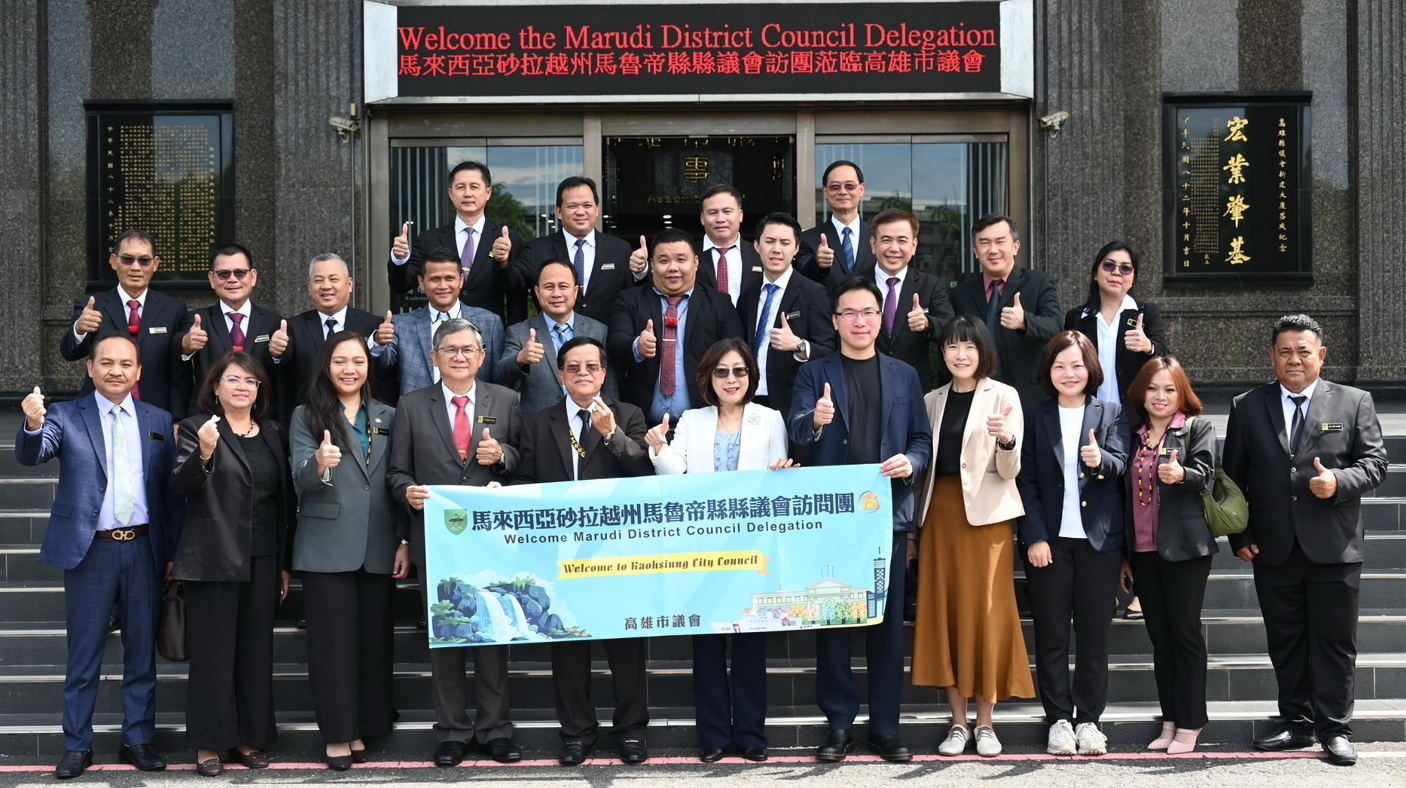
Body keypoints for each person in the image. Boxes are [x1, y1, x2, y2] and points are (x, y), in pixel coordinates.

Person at [1223, 314, 1387, 767]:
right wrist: (1240, 534)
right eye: (1285, 352)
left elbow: (1375, 464)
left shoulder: (1354, 401)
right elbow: (1232, 479)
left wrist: (1338, 481)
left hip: (1334, 547)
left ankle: (1335, 729)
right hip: (1272, 547)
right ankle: (1296, 722)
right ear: (1272, 356)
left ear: (1322, 355)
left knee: (1334, 643)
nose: (1294, 359)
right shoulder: (1246, 406)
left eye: (1303, 351)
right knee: (1286, 641)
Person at [15, 334, 177, 779]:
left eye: (125, 363)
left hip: (144, 548)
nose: (115, 370)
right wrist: (32, 423)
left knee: (141, 654)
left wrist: (172, 551)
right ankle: (77, 745)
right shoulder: (66, 415)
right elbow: (33, 454)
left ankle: (138, 739)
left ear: (138, 371)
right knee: (84, 655)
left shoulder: (159, 419)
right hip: (92, 551)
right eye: (106, 362)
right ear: (90, 368)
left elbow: (170, 493)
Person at [788, 277, 931, 763]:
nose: (860, 321)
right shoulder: (814, 373)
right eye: (849, 313)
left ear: (879, 317)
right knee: (833, 620)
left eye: (868, 312)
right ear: (834, 321)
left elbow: (921, 439)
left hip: (886, 516)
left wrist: (912, 462)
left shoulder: (904, 374)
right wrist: (817, 419)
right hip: (832, 519)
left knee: (887, 625)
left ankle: (885, 727)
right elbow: (796, 433)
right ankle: (839, 724)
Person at [386, 317, 525, 767]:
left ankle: (495, 729)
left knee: (493, 635)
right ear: (434, 357)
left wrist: (502, 456)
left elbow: (525, 464)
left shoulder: (506, 400)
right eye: (450, 349)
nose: (459, 357)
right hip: (436, 539)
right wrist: (407, 493)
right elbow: (397, 471)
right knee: (446, 638)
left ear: (483, 356)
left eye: (468, 349)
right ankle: (451, 732)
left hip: (491, 542)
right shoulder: (411, 405)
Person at [647, 338, 792, 763]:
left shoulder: (770, 419)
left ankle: (750, 735)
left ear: (752, 376)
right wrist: (658, 447)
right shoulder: (692, 419)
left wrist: (781, 472)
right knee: (707, 646)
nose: (732, 379)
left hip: (752, 550)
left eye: (739, 371)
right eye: (722, 371)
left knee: (750, 646)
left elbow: (777, 476)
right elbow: (674, 474)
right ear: (708, 377)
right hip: (702, 550)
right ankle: (712, 736)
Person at [513, 336, 654, 766]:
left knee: (625, 646)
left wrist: (611, 434)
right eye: (573, 367)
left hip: (617, 553)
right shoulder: (540, 423)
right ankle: (576, 733)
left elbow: (644, 472)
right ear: (560, 375)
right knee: (568, 646)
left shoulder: (628, 415)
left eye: (591, 366)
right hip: (560, 555)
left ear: (604, 373)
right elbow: (526, 484)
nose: (582, 374)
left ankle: (631, 731)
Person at [911, 316, 1033, 758]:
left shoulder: (1004, 396)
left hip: (987, 519)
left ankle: (985, 723)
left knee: (986, 613)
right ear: (942, 352)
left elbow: (1011, 470)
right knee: (946, 613)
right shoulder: (931, 399)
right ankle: (957, 722)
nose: (960, 355)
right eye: (952, 346)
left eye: (969, 346)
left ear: (983, 351)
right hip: (938, 517)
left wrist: (1007, 441)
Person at [170, 353, 293, 776]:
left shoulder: (273, 432)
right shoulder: (197, 428)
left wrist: (284, 562)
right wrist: (204, 453)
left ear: (259, 390)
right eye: (233, 380)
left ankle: (247, 738)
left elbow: (282, 501)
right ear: (215, 387)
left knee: (255, 653)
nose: (242, 387)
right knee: (214, 655)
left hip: (263, 555)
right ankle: (209, 743)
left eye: (250, 381)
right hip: (214, 557)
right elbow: (182, 485)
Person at [290, 332, 409, 769]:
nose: (349, 369)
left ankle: (366, 724)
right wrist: (319, 464)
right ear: (326, 365)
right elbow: (299, 476)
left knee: (373, 643)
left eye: (358, 361)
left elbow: (399, 477)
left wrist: (403, 540)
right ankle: (339, 734)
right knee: (332, 646)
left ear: (368, 366)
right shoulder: (307, 415)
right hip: (327, 545)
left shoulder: (389, 414)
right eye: (340, 361)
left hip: (379, 543)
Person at [1015, 330, 1127, 757]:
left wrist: (1101, 462)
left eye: (1077, 365)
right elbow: (1025, 480)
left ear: (1090, 369)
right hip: (1051, 542)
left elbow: (1122, 463)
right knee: (1052, 635)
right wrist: (1034, 536)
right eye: (1060, 366)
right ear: (1049, 370)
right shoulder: (1035, 415)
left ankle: (1089, 720)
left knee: (1094, 636)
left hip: (1100, 542)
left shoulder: (1111, 412)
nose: (1069, 373)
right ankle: (1059, 719)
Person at [1062, 241, 1168, 621]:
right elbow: (1066, 362)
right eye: (1109, 266)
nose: (1117, 274)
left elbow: (1167, 361)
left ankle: (1139, 590)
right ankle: (1101, 588)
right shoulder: (1078, 317)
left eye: (1126, 268)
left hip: (1134, 420)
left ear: (1133, 277)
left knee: (1136, 500)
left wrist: (1149, 346)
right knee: (1096, 497)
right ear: (1096, 272)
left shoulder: (1144, 314)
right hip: (1090, 421)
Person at [1120, 355, 1217, 754]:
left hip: (1185, 550)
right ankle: (1170, 720)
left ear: (1181, 394)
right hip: (1143, 550)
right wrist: (1124, 554)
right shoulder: (1133, 434)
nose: (1160, 397)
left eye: (1169, 389)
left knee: (1184, 633)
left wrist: (1182, 475)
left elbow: (1207, 475)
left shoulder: (1195, 428)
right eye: (1153, 388)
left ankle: (1191, 723)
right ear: (1141, 393)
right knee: (1160, 639)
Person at [608, 228, 745, 426]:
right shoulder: (629, 300)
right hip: (642, 425)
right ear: (652, 264)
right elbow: (614, 343)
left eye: (681, 260)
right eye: (664, 261)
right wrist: (637, 346)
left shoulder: (719, 304)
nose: (673, 268)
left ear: (695, 262)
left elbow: (737, 352)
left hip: (703, 423)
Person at [59, 229, 194, 418]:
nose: (136, 267)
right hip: (99, 412)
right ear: (114, 261)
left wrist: (178, 419)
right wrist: (79, 329)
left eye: (144, 260)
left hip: (156, 412)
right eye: (127, 259)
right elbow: (69, 352)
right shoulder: (92, 305)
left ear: (155, 264)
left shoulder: (174, 309)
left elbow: (179, 373)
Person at [947, 214, 1062, 408]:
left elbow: (1056, 327)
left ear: (1015, 246)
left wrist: (1025, 321)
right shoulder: (961, 293)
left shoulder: (1039, 283)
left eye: (1000, 241)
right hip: (974, 395)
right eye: (985, 243)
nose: (993, 250)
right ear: (975, 251)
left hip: (1028, 396)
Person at [388, 160, 525, 323]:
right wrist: (400, 259)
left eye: (474, 187)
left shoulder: (506, 240)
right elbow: (401, 286)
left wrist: (503, 263)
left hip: (489, 331)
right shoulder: (429, 239)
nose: (467, 194)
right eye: (460, 187)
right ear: (450, 193)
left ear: (488, 193)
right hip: (439, 331)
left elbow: (517, 292)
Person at [274, 253, 396, 421]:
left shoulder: (373, 325)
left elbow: (382, 376)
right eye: (318, 280)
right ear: (309, 287)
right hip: (310, 421)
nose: (326, 286)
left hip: (360, 421)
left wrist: (378, 345)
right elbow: (282, 364)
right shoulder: (293, 327)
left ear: (349, 285)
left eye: (333, 279)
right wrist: (276, 353)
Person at [738, 212, 835, 415]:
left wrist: (799, 345)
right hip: (748, 400)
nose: (776, 249)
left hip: (791, 403)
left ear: (796, 249)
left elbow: (829, 351)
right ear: (757, 246)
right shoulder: (748, 296)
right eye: (769, 241)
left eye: (785, 242)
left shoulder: (814, 293)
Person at [510, 176, 642, 324]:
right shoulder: (538, 249)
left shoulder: (620, 249)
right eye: (572, 206)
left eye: (587, 205)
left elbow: (636, 296)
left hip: (608, 336)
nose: (580, 212)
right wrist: (503, 261)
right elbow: (514, 283)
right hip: (555, 337)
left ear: (597, 209)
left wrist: (642, 271)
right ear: (559, 211)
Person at [498, 260, 615, 415]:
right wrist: (520, 359)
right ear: (537, 292)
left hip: (590, 421)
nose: (556, 294)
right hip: (538, 424)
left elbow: (610, 385)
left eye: (563, 286)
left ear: (575, 291)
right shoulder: (519, 332)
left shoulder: (599, 330)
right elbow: (501, 374)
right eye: (549, 287)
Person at [180, 244, 283, 414]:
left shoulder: (274, 323)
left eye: (240, 273)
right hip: (208, 416)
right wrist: (186, 344)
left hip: (260, 417)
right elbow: (177, 348)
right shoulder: (198, 320)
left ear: (253, 276)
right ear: (212, 279)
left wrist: (278, 355)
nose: (232, 279)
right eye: (224, 274)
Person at [384, 247, 505, 392]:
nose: (442, 286)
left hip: (474, 405)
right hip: (418, 406)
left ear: (461, 280)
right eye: (435, 279)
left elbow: (500, 377)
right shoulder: (401, 325)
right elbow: (382, 366)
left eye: (449, 278)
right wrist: (378, 343)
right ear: (421, 282)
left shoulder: (490, 322)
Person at [858, 208, 953, 387]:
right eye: (886, 240)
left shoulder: (930, 285)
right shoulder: (853, 285)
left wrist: (927, 324)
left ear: (914, 245)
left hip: (913, 386)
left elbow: (950, 328)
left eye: (902, 240)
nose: (894, 248)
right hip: (863, 384)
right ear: (873, 244)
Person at [797, 160, 878, 286]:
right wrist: (817, 264)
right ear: (825, 191)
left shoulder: (878, 237)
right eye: (835, 187)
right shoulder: (808, 239)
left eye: (850, 186)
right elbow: (800, 278)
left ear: (862, 189)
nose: (842, 192)